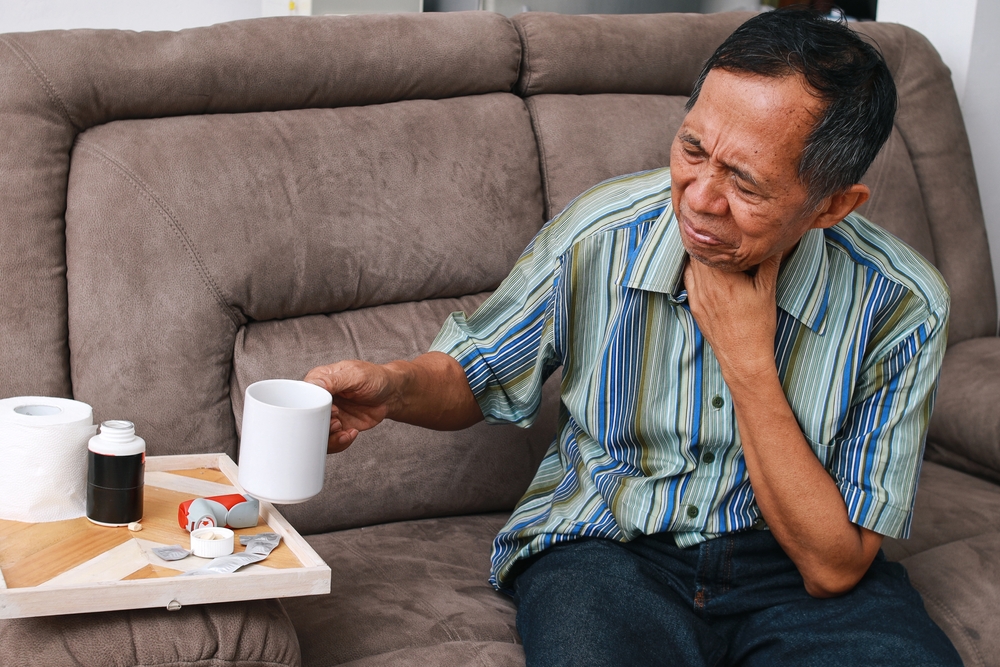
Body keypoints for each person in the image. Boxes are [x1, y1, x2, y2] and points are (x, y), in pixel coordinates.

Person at [304, 8, 963, 666]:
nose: (699, 198)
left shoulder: (902, 303)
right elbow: (475, 371)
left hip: (795, 574)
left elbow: (833, 566)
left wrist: (748, 361)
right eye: (693, 149)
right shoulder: (605, 231)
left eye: (746, 183)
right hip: (608, 548)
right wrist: (391, 386)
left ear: (832, 206)